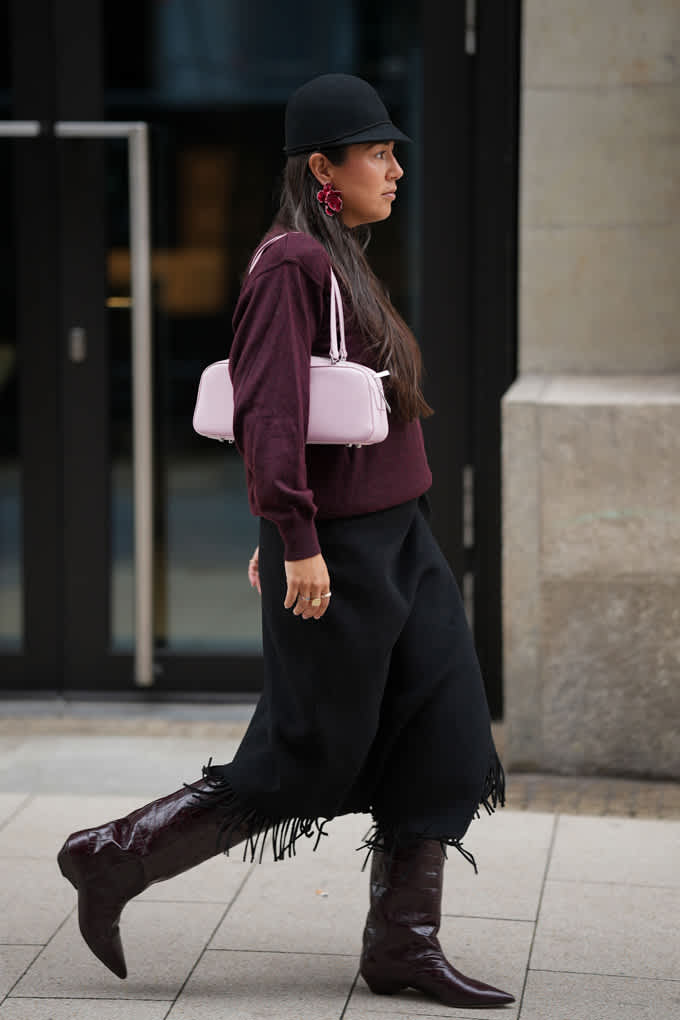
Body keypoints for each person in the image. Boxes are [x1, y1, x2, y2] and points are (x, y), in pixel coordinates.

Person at [57, 73, 514, 1010]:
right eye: (376, 153)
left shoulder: (339, 256)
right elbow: (269, 412)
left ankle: (403, 946)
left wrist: (294, 526)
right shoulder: (291, 264)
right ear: (323, 170)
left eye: (393, 152)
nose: (395, 168)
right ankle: (113, 856)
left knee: (447, 731)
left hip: (402, 538)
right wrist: (294, 534)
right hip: (340, 555)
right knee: (304, 755)